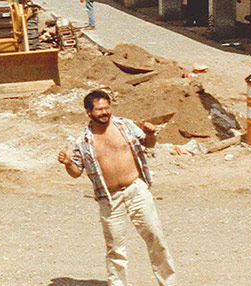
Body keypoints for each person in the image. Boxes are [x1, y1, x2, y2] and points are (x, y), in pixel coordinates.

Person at [58, 90, 177, 286]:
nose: (105, 112)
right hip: (109, 198)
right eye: (99, 109)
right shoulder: (83, 142)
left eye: (107, 108)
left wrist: (149, 133)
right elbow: (75, 172)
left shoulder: (125, 126)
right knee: (115, 248)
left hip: (136, 190)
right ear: (88, 112)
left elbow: (149, 144)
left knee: (156, 238)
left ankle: (168, 283)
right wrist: (68, 162)